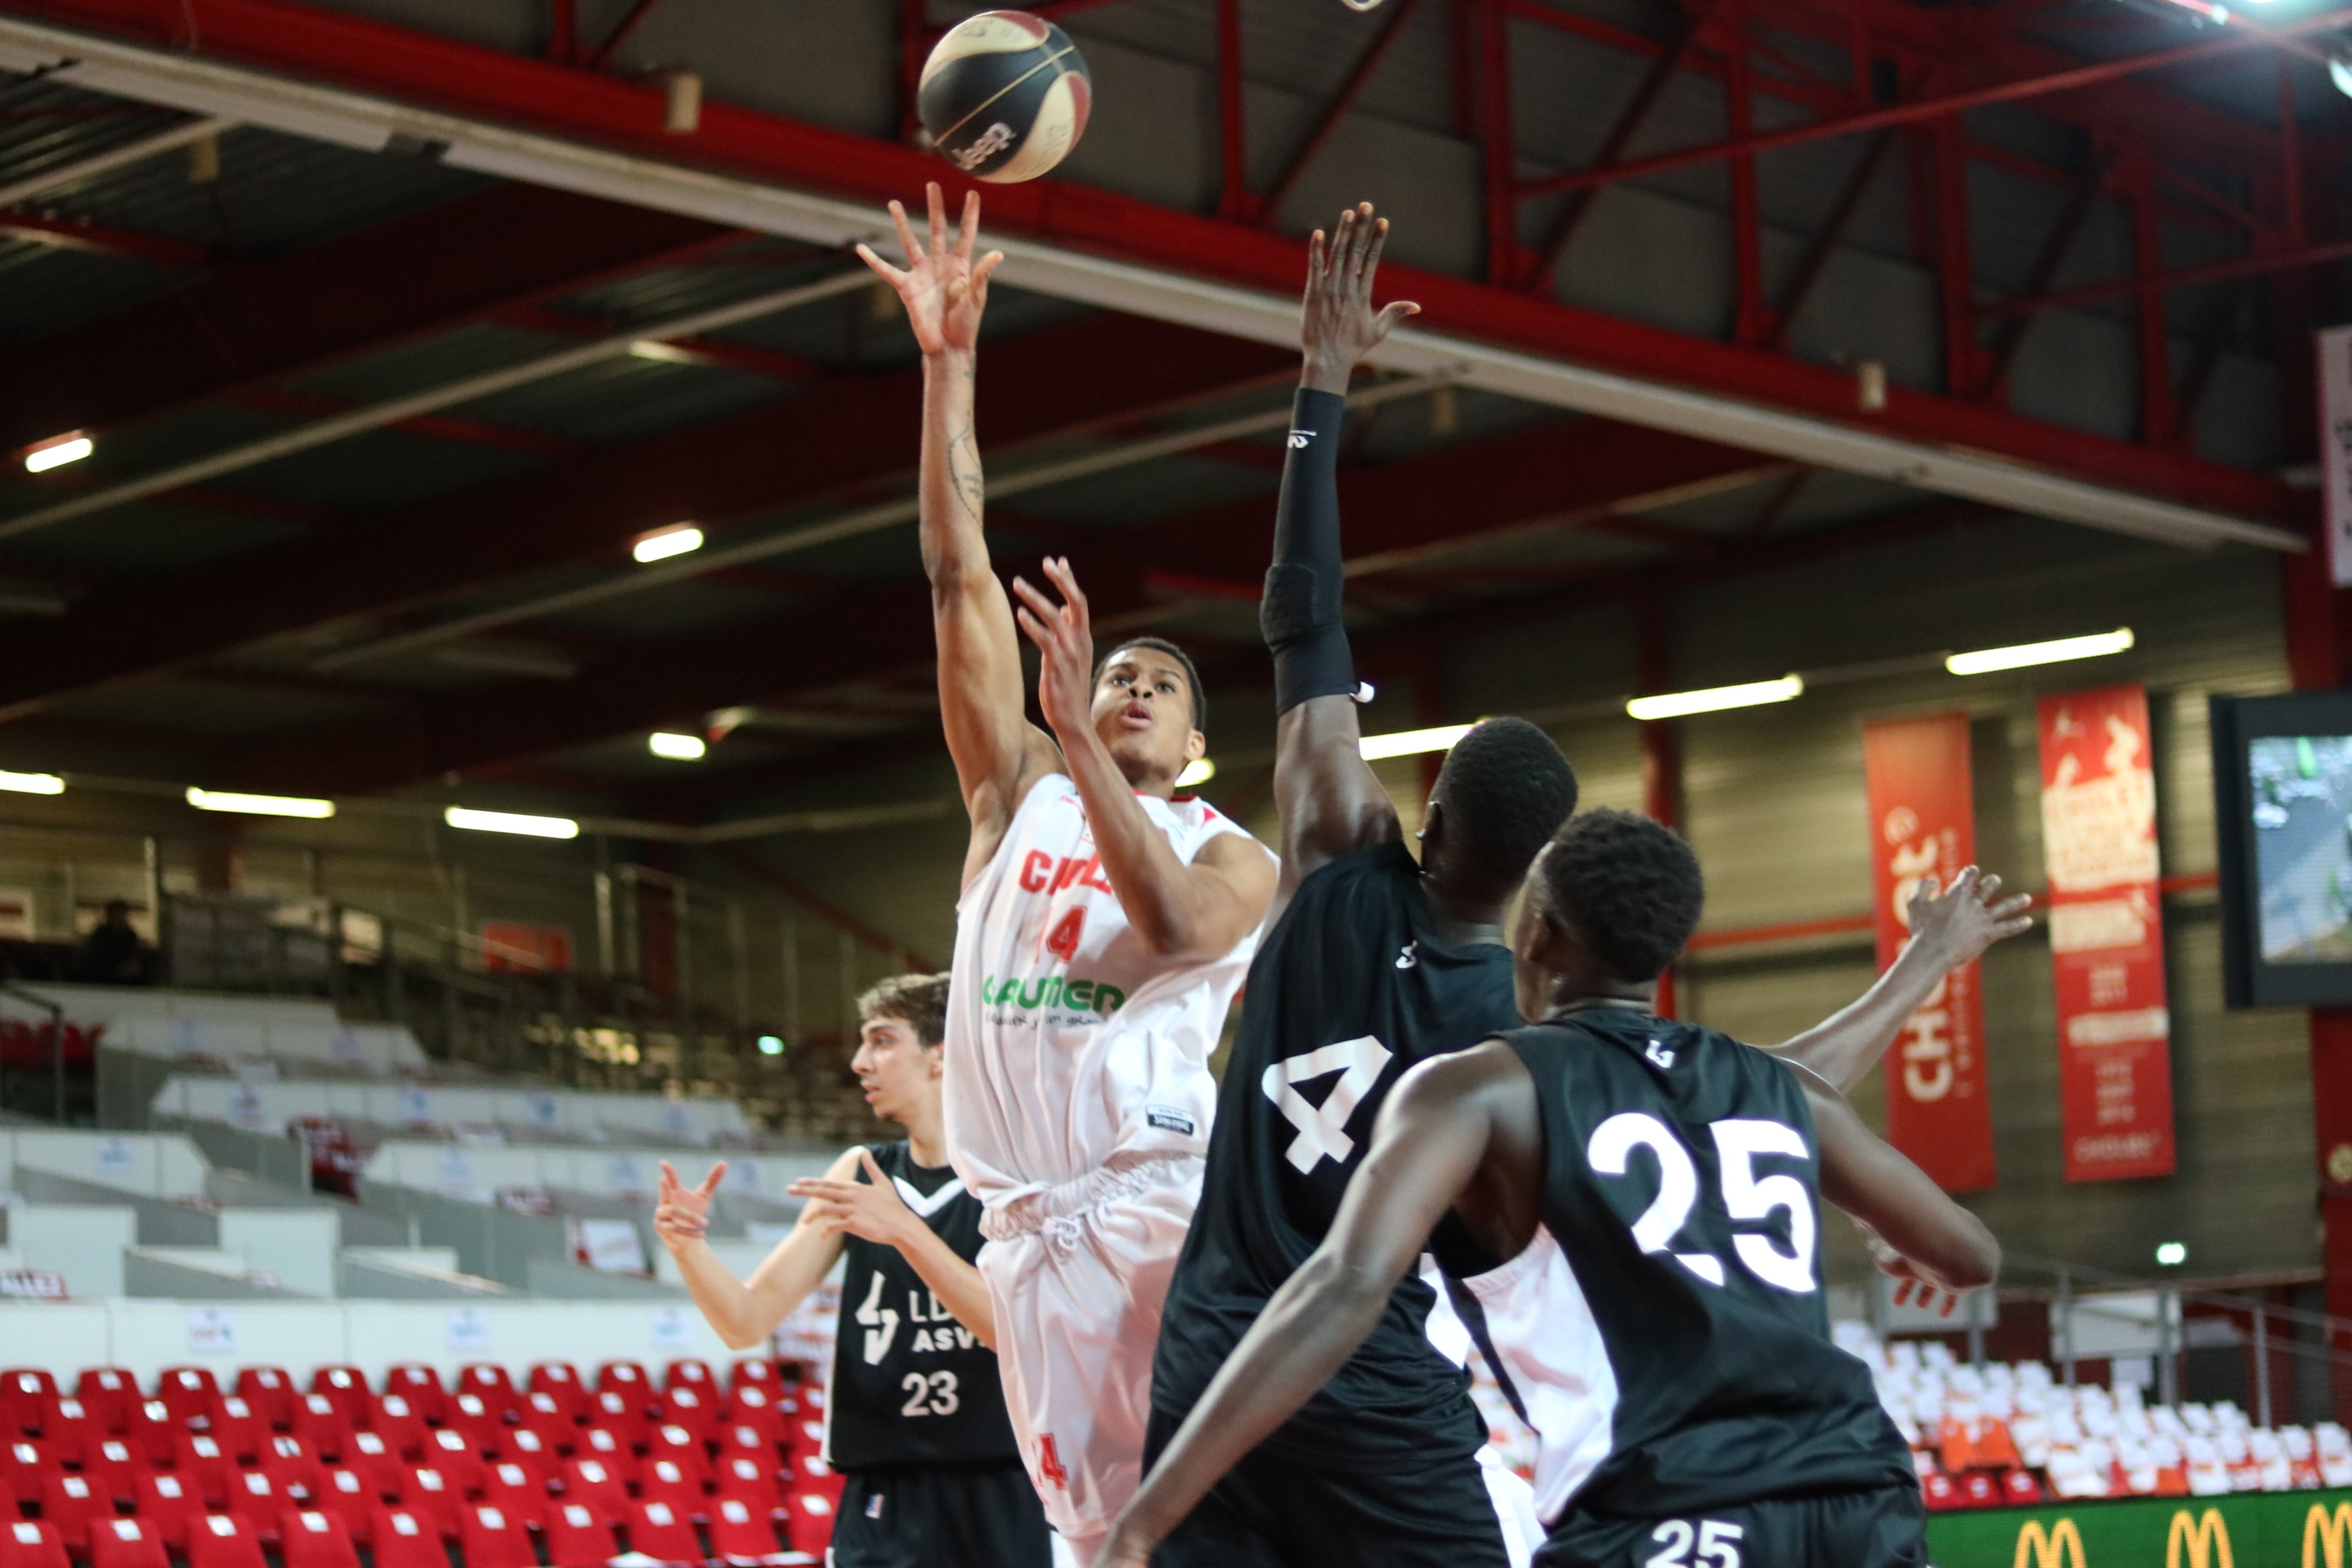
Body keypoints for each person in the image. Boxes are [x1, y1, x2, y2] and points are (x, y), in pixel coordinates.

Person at [1140, 202, 2032, 1568]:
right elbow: (1762, 1085)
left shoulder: (1331, 849)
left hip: (1226, 1345)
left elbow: (1302, 610)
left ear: (1434, 810)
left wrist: (1320, 384)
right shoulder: (1513, 1038)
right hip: (1384, 1386)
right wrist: (1922, 968)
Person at [1109, 808, 2000, 1568]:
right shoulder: (1774, 1089)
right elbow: (1970, 1253)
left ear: (1535, 933)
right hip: (1861, 1500)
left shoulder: (1482, 1088)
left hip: (1667, 1512)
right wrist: (1894, 1222)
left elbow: (1343, 1285)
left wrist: (1146, 1519)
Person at [856, 184, 1280, 1563]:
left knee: (1218, 1517)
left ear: (1199, 736)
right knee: (1094, 1540)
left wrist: (1078, 740)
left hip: (1156, 1200)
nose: (1134, 685)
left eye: (1159, 680)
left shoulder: (1231, 847)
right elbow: (949, 573)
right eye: (1114, 675)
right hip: (1026, 1231)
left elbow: (1170, 921)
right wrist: (948, 365)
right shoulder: (1014, 792)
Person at [654, 974, 1050, 1568]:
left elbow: (1013, 1332)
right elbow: (745, 1320)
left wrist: (905, 1231)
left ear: (941, 1054)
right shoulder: (858, 1174)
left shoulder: (1017, 1173)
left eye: (882, 1041)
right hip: (886, 1485)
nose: (861, 1061)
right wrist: (688, 1249)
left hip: (1009, 1480)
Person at [72, 899, 146, 985]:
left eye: (123, 915)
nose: (121, 919)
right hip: (101, 982)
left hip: (125, 984)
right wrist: (117, 970)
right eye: (117, 915)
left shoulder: (130, 936)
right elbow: (93, 963)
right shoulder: (100, 936)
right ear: (109, 917)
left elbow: (134, 959)